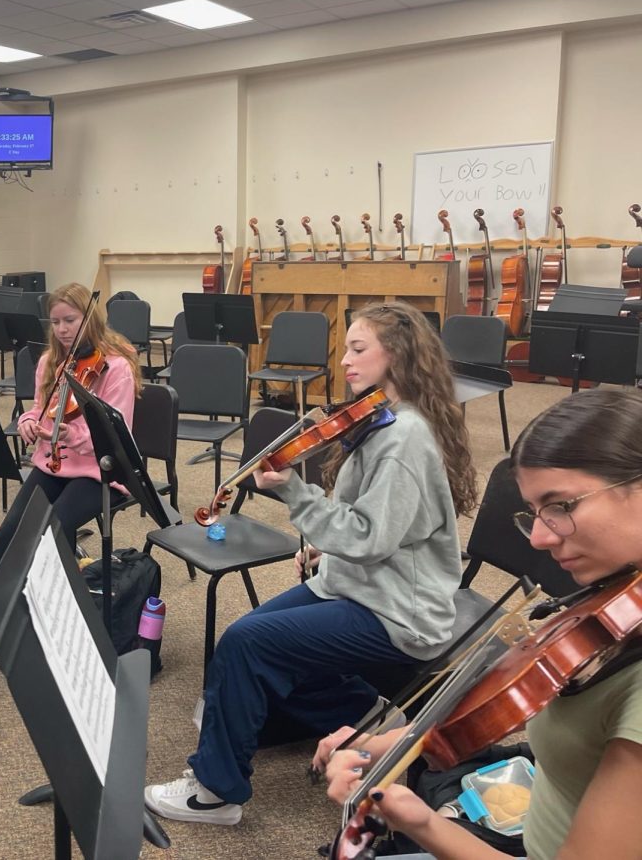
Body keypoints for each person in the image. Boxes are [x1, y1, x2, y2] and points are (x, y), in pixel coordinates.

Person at [145, 301, 478, 825]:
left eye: (358, 348)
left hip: (399, 610)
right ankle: (352, 713)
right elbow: (371, 521)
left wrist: (297, 493)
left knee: (246, 645)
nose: (344, 359)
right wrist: (326, 544)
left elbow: (371, 537)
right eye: (346, 347)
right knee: (252, 631)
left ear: (397, 356)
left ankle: (216, 793)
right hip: (357, 584)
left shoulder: (405, 438)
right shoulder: (379, 418)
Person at [319, 389, 642, 860]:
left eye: (561, 506)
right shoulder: (618, 599)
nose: (539, 537)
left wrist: (422, 822)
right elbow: (518, 703)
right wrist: (384, 743)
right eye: (533, 512)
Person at [0, 282, 142, 648]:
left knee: (46, 536)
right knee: (11, 530)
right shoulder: (52, 361)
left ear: (89, 319)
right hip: (53, 465)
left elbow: (116, 436)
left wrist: (72, 436)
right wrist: (29, 421)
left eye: (70, 320)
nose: (62, 330)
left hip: (101, 472)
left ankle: (17, 609)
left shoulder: (116, 368)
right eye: (56, 322)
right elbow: (37, 407)